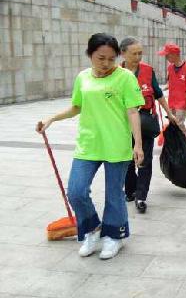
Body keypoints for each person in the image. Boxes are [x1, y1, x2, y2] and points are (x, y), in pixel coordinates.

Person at [36, 33, 145, 260]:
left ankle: (114, 236)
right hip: (88, 144)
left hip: (116, 144)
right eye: (100, 58)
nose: (106, 64)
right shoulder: (83, 78)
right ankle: (93, 229)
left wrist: (139, 146)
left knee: (114, 194)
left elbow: (133, 111)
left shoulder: (125, 78)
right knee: (76, 191)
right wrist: (51, 119)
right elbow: (76, 107)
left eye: (111, 59)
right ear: (90, 55)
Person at [120, 37, 178, 213]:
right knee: (126, 160)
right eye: (134, 54)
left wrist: (169, 113)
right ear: (123, 53)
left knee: (144, 160)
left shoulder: (147, 71)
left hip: (145, 122)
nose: (138, 57)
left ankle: (141, 196)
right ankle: (130, 191)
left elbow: (158, 93)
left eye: (140, 53)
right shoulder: (116, 72)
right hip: (122, 124)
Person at [158, 42, 186, 136]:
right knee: (172, 122)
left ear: (175, 54)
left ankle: (185, 143)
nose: (166, 58)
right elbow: (170, 81)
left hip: (183, 101)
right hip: (172, 100)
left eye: (167, 55)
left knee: (179, 122)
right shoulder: (170, 68)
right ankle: (176, 142)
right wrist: (165, 87)